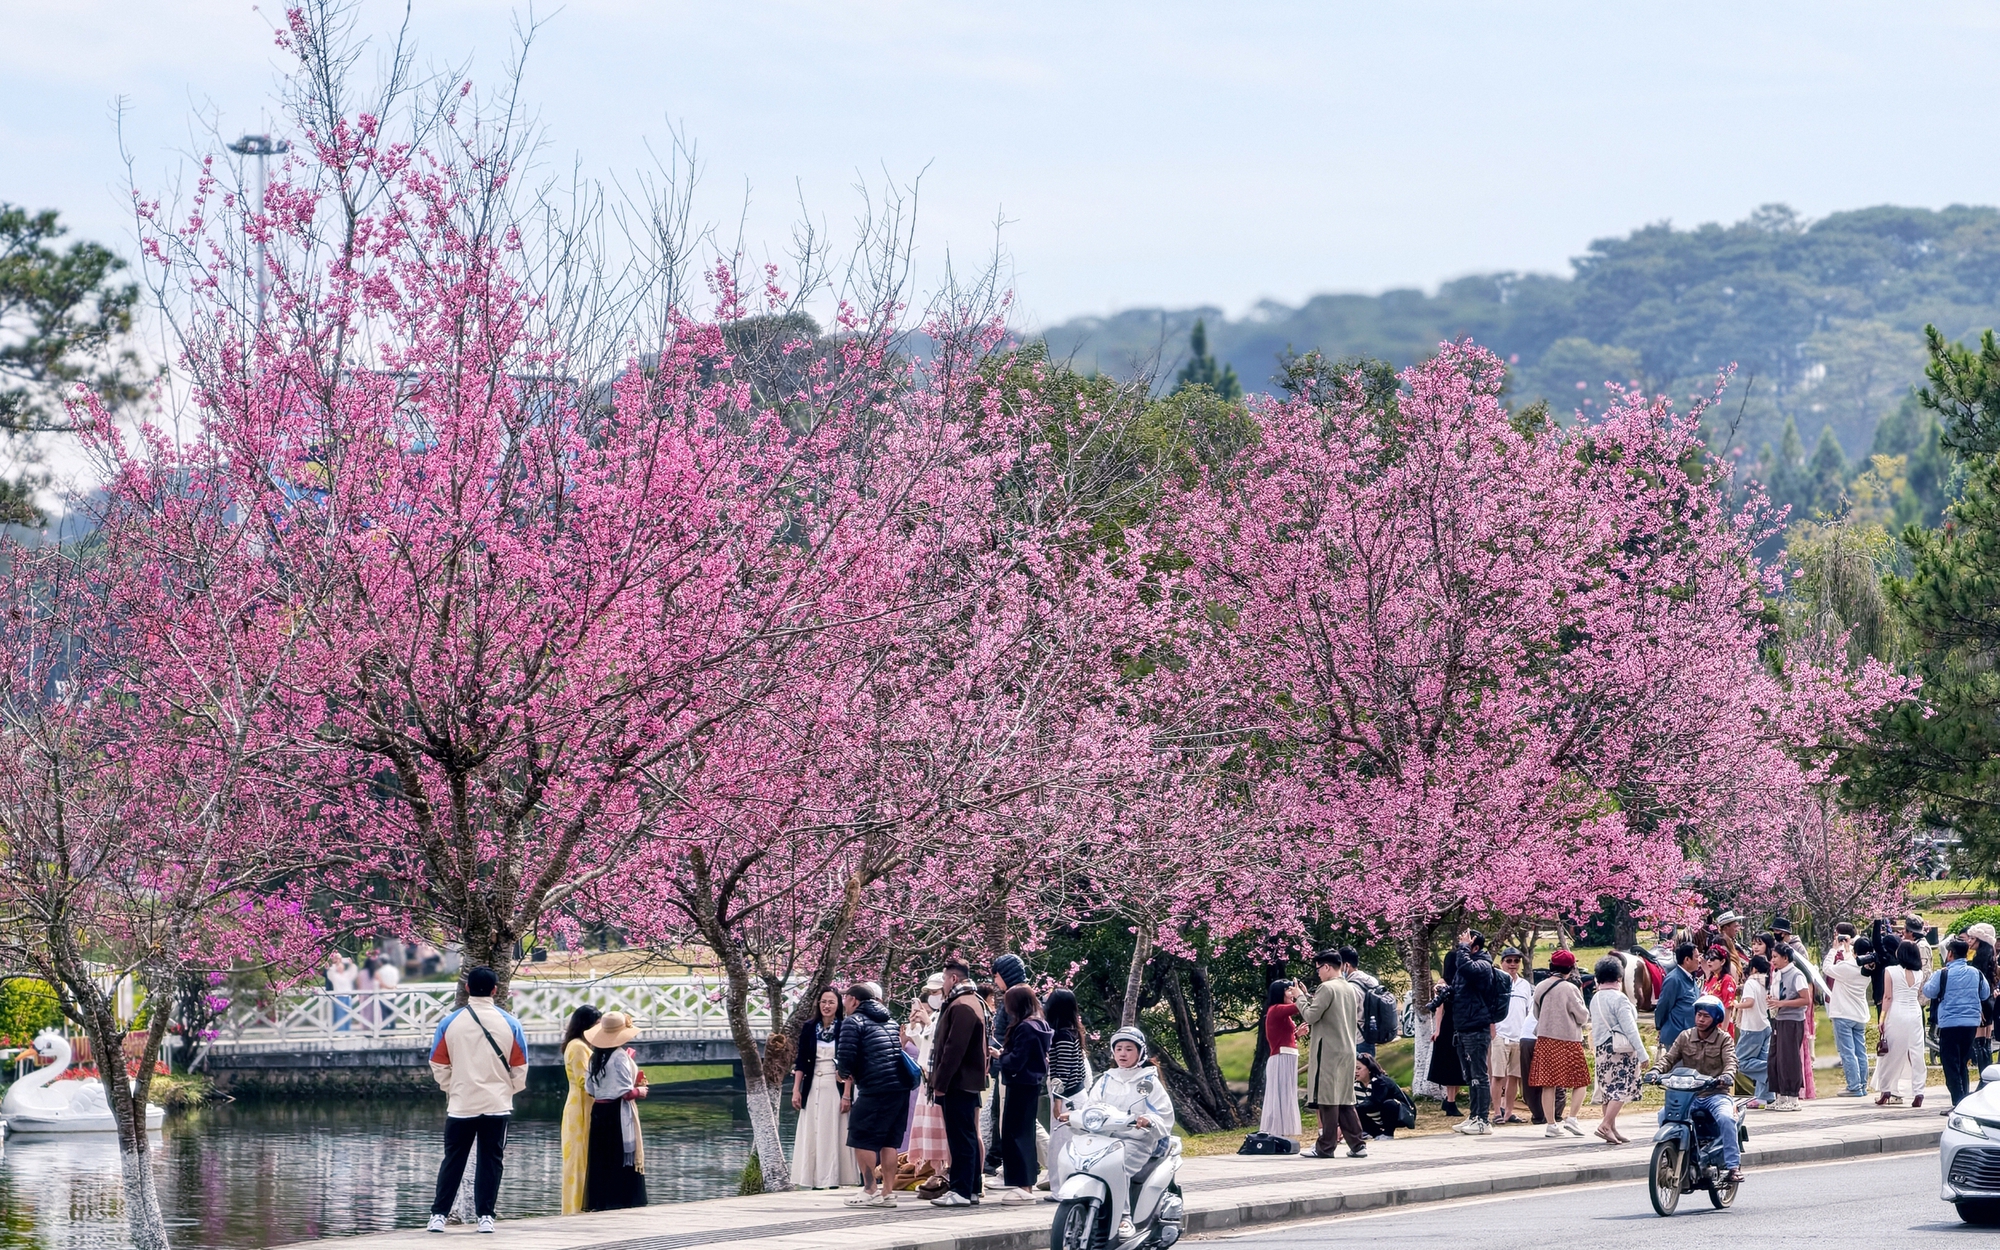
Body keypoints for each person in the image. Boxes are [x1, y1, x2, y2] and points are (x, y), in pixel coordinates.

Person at [425, 966, 529, 1233]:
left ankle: (438, 1215)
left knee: (453, 1160)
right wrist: (509, 1089)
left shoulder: (449, 1023)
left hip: (461, 1103)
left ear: (467, 988)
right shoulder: (511, 1024)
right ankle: (486, 1216)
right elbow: (520, 1066)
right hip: (496, 1103)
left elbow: (437, 1063)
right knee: (491, 1160)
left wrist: (453, 1086)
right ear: (495, 990)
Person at [1063, 1027, 1175, 1242]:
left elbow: (1163, 1116)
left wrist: (1148, 1120)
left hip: (1137, 1141)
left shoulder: (1148, 1082)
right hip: (1104, 1139)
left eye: (1129, 1049)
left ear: (1140, 1052)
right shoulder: (1106, 1079)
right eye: (1119, 1048)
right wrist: (1074, 1116)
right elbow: (1091, 1107)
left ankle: (1124, 1217)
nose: (1123, 1053)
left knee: (1117, 1167)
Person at [1648, 995, 1742, 1184]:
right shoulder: (1685, 1036)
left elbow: (1732, 1062)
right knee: (1662, 1115)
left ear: (1716, 1019)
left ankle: (1733, 1167)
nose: (1700, 1019)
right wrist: (1655, 1071)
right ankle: (1670, 1156)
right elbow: (1669, 1059)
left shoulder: (1724, 1039)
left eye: (1706, 1016)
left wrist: (1727, 1076)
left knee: (1726, 1118)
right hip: (1688, 1096)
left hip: (1715, 1094)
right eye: (1698, 1015)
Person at [837, 981, 910, 1208]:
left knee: (862, 1138)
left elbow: (846, 1053)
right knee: (889, 1141)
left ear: (855, 1000)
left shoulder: (853, 1021)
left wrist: (843, 1073)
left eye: (846, 997)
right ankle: (887, 1192)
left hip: (875, 1088)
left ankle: (870, 1189)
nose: (844, 1002)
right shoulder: (890, 1020)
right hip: (899, 1087)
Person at [928, 959, 990, 1207]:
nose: (943, 984)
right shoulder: (972, 1001)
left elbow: (954, 1050)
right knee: (967, 1136)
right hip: (968, 1081)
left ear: (953, 978)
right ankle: (971, 1188)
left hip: (959, 1082)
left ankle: (962, 1190)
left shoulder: (962, 1005)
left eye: (944, 978)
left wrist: (940, 1082)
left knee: (960, 1137)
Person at [1303, 948, 1368, 1157]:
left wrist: (1299, 999)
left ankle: (1325, 1146)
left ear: (1327, 967)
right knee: (1345, 1099)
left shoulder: (1326, 988)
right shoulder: (1349, 988)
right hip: (1348, 1048)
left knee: (1328, 1098)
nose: (1318, 973)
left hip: (1328, 1050)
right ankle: (1357, 1144)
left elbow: (1311, 1016)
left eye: (1319, 969)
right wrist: (1305, 996)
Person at [582, 1011, 649, 1210]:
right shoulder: (619, 1057)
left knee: (602, 1157)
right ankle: (622, 1199)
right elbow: (626, 1093)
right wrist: (641, 1090)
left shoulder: (595, 1057)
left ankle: (602, 1200)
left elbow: (591, 1089)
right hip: (617, 1112)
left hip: (599, 1111)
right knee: (620, 1157)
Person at [792, 988, 857, 1189]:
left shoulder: (845, 1027)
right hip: (813, 1083)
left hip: (835, 1083)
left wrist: (847, 1094)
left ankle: (834, 1179)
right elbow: (801, 1060)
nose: (826, 1006)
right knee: (813, 1128)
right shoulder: (810, 1027)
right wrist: (796, 1089)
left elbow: (849, 1062)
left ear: (838, 1005)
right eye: (823, 1002)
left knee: (833, 1128)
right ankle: (814, 1179)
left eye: (831, 1002)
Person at [991, 984, 1051, 1204]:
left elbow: (1017, 1059)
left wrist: (1000, 1056)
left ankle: (1023, 1185)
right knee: (1024, 1133)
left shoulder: (1025, 1027)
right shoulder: (1041, 1024)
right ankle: (1026, 1182)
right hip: (1032, 1084)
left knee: (1014, 1134)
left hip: (1019, 1083)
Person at [1446, 930, 1502, 1136]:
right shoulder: (1466, 965)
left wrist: (1463, 948)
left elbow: (1466, 967)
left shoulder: (1482, 965)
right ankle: (1473, 1116)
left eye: (1465, 944)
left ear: (1475, 947)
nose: (1460, 948)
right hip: (1463, 1026)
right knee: (1470, 1076)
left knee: (1480, 1075)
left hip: (1477, 1028)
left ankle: (1483, 1120)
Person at [1926, 936, 1993, 1109]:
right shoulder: (1976, 972)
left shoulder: (1942, 974)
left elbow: (1929, 991)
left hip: (1949, 1023)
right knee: (1962, 1061)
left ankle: (1957, 1101)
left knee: (1950, 1063)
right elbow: (1985, 994)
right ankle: (1963, 1101)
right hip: (1971, 1023)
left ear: (1950, 954)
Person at [1528, 950, 1589, 1138]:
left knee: (1549, 1084)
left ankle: (1551, 1125)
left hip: (1545, 1039)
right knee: (1580, 1080)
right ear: (1570, 968)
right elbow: (1583, 1016)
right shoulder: (1570, 989)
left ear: (1551, 966)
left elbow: (1536, 1013)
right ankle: (1572, 1118)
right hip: (1569, 1040)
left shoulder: (1540, 986)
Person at [1589, 955, 1647, 1145]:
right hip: (1620, 1049)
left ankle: (1611, 1129)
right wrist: (1642, 1053)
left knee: (1608, 1090)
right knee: (1622, 1088)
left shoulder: (1595, 998)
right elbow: (1630, 1029)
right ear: (1619, 978)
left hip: (1602, 1048)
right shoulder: (1620, 999)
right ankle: (1606, 1125)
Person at [1044, 988, 1090, 1193]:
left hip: (1068, 1097)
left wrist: (1057, 1100)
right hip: (1076, 1094)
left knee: (1061, 1145)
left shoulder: (1061, 1035)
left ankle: (1061, 1189)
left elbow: (1060, 1071)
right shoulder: (1073, 1031)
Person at [904, 980, 949, 1179]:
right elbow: (924, 1049)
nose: (932, 996)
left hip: (938, 1081)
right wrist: (914, 1027)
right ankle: (935, 1172)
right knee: (927, 1131)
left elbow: (940, 1045)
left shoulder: (947, 1014)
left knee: (942, 1130)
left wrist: (928, 1023)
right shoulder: (936, 1016)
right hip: (925, 1080)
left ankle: (944, 1172)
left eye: (935, 991)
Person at [559, 1005, 601, 1215]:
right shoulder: (578, 1047)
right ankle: (575, 1208)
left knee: (584, 1158)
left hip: (581, 1103)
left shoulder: (580, 1046)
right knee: (578, 1159)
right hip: (580, 1107)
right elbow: (585, 1080)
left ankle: (583, 1204)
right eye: (596, 1025)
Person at [1821, 922, 1872, 1097]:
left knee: (1847, 1052)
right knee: (1861, 1051)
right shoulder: (1867, 968)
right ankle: (1863, 1085)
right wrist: (1847, 948)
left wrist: (1835, 949)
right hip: (1859, 1014)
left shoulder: (1845, 967)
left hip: (1843, 1013)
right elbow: (1853, 962)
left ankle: (1853, 1086)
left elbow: (1827, 968)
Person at [1877, 938, 1929, 1107]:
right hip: (1914, 1012)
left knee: (1890, 1052)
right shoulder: (1919, 973)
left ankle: (1886, 1089)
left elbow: (1888, 997)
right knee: (1916, 1052)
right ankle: (1919, 1091)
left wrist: (1882, 1018)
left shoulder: (1890, 971)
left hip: (1896, 1012)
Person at [1766, 944, 1810, 1111]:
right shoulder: (1777, 974)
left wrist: (1782, 1003)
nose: (1773, 960)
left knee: (1789, 1058)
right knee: (1775, 1058)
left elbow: (1805, 999)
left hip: (1792, 1020)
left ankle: (1792, 1097)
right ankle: (1780, 1095)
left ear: (1786, 958)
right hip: (1778, 1018)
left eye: (1776, 957)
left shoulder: (1796, 975)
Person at [1258, 980, 1304, 1138]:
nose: (1292, 995)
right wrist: (1302, 994)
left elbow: (1282, 1036)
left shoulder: (1279, 1012)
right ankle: (1275, 1131)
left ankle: (1282, 1131)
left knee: (1286, 1094)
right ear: (1280, 993)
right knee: (1280, 1095)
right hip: (1281, 1056)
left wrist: (1297, 1034)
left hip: (1287, 1055)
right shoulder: (1276, 1009)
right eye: (1289, 991)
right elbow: (1298, 1007)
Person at [1423, 948, 1465, 1118]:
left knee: (1458, 1065)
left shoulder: (1461, 981)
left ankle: (1449, 1100)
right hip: (1449, 1025)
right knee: (1451, 1066)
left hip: (1459, 1024)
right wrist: (1438, 1029)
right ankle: (1451, 1102)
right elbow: (1439, 1008)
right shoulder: (1443, 983)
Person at [1492, 948, 1531, 1125]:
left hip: (1519, 1035)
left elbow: (1529, 1011)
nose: (1513, 964)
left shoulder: (1525, 985)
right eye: (1509, 961)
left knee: (1515, 1077)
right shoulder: (1495, 982)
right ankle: (1496, 1111)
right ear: (1502, 963)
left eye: (1516, 961)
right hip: (1500, 1035)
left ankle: (1509, 1112)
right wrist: (1493, 1030)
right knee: (1498, 1076)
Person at [1736, 955, 1773, 1105]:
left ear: (1754, 969)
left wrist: (1736, 1005)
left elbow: (1749, 1002)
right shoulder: (1767, 982)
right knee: (1762, 1060)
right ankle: (1765, 1097)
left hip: (1752, 1027)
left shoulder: (1751, 982)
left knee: (1740, 1062)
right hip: (1765, 1025)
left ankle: (1774, 1068)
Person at [1354, 1054, 1414, 1139]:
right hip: (1376, 1116)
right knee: (1353, 1109)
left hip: (1402, 1114)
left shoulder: (1381, 1082)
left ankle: (1388, 1133)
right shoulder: (1355, 1085)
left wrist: (1353, 1108)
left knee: (1389, 1104)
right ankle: (1376, 1134)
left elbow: (1374, 1102)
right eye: (1354, 1068)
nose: (1355, 1071)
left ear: (1369, 1069)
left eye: (1358, 1068)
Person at [1339, 948, 1385, 1057]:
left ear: (1346, 965)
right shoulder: (1371, 981)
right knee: (1369, 1069)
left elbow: (1346, 1014)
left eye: (1339, 965)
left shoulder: (1351, 987)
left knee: (1359, 1072)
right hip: (1370, 1034)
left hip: (1358, 1038)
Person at [1654, 942, 1700, 1049]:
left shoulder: (1691, 977)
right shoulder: (1673, 980)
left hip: (1691, 1035)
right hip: (1677, 1036)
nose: (1699, 960)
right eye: (1697, 957)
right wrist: (1660, 1026)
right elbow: (1663, 1006)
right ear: (1687, 960)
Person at [1969, 923, 1999, 1083]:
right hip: (1989, 1002)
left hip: (1981, 1002)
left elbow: (1977, 986)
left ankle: (1983, 1079)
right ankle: (1987, 1079)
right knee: (1986, 1042)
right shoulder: (1990, 959)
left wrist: (1977, 1007)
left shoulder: (1978, 962)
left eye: (1973, 938)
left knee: (1980, 1042)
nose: (1969, 941)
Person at [1701, 946, 1738, 1036]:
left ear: (1722, 961)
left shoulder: (1727, 980)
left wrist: (1723, 1031)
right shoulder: (1710, 979)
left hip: (1720, 1027)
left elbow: (1728, 1006)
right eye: (1708, 958)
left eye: (1713, 959)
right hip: (1707, 1026)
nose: (1709, 961)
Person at [327, 952, 359, 1032]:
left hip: (347, 996)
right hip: (339, 996)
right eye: (339, 967)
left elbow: (353, 972)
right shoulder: (335, 976)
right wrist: (336, 962)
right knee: (340, 1015)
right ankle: (340, 1031)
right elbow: (330, 972)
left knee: (348, 1015)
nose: (341, 967)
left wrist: (351, 964)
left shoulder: (346, 975)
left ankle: (347, 1030)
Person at [375, 950, 403, 1030]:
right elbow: (396, 980)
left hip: (383, 994)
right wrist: (392, 987)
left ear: (381, 962)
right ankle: (393, 1027)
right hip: (393, 993)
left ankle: (386, 1028)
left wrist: (387, 987)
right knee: (391, 1012)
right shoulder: (394, 970)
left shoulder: (380, 971)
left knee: (384, 1013)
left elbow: (380, 983)